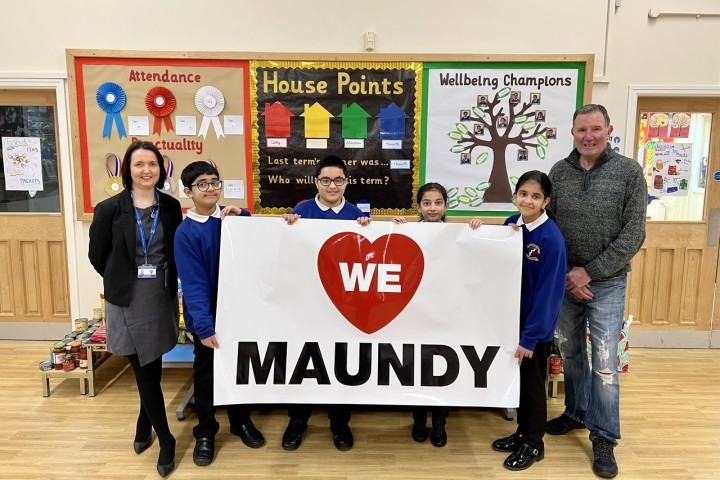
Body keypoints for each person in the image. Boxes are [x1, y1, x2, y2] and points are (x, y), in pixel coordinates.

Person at [545, 104, 647, 479]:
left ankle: (604, 436)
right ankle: (575, 411)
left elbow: (634, 233)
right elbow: (548, 224)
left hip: (607, 281)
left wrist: (589, 272)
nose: (589, 136)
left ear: (609, 130)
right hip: (565, 281)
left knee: (604, 364)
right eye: (582, 130)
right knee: (570, 353)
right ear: (572, 132)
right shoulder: (559, 172)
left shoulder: (629, 173)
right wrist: (568, 275)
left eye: (596, 129)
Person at [88, 140, 183, 478]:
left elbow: (175, 248)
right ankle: (168, 439)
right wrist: (121, 278)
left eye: (153, 165)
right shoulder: (109, 208)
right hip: (126, 299)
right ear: (128, 168)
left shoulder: (170, 206)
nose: (147, 170)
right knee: (142, 369)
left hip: (160, 296)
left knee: (152, 365)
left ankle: (145, 420)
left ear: (161, 169)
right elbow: (97, 255)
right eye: (140, 164)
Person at [174, 161, 265, 468]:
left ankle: (240, 421)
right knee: (206, 373)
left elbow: (255, 240)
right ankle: (206, 431)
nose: (211, 188)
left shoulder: (231, 217)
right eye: (202, 184)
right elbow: (194, 283)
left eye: (215, 182)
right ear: (188, 192)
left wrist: (245, 215)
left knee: (241, 368)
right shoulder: (186, 233)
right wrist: (203, 326)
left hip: (240, 311)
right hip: (209, 317)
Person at [281, 155, 372, 452]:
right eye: (326, 180)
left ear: (346, 182)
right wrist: (289, 226)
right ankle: (298, 420)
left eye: (338, 180)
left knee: (340, 362)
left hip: (343, 306)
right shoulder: (301, 211)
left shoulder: (357, 215)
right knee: (303, 361)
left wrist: (371, 229)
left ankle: (339, 421)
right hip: (306, 303)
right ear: (316, 182)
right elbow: (287, 253)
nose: (332, 186)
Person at [392, 182, 483, 447]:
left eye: (438, 202)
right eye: (427, 203)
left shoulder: (458, 233)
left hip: (448, 313)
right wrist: (395, 228)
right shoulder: (410, 231)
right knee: (416, 367)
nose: (433, 208)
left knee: (443, 370)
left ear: (446, 205)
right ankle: (418, 418)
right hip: (416, 312)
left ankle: (441, 420)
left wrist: (476, 229)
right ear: (419, 206)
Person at [490, 171, 567, 471]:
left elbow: (549, 294)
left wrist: (530, 338)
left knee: (534, 387)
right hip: (512, 323)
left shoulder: (551, 238)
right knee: (518, 384)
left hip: (534, 331)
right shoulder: (513, 224)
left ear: (546, 201)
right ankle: (522, 432)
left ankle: (535, 444)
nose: (528, 200)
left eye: (536, 196)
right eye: (523, 194)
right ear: (515, 195)